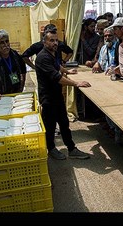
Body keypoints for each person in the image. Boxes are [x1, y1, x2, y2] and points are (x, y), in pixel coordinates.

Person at [35, 28, 91, 160]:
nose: (55, 43)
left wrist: (67, 71)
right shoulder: (42, 57)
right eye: (51, 40)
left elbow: (57, 66)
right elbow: (57, 77)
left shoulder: (52, 54)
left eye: (56, 40)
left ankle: (71, 149)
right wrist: (76, 83)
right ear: (44, 42)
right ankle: (52, 149)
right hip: (48, 98)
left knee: (64, 123)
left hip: (56, 95)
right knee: (50, 125)